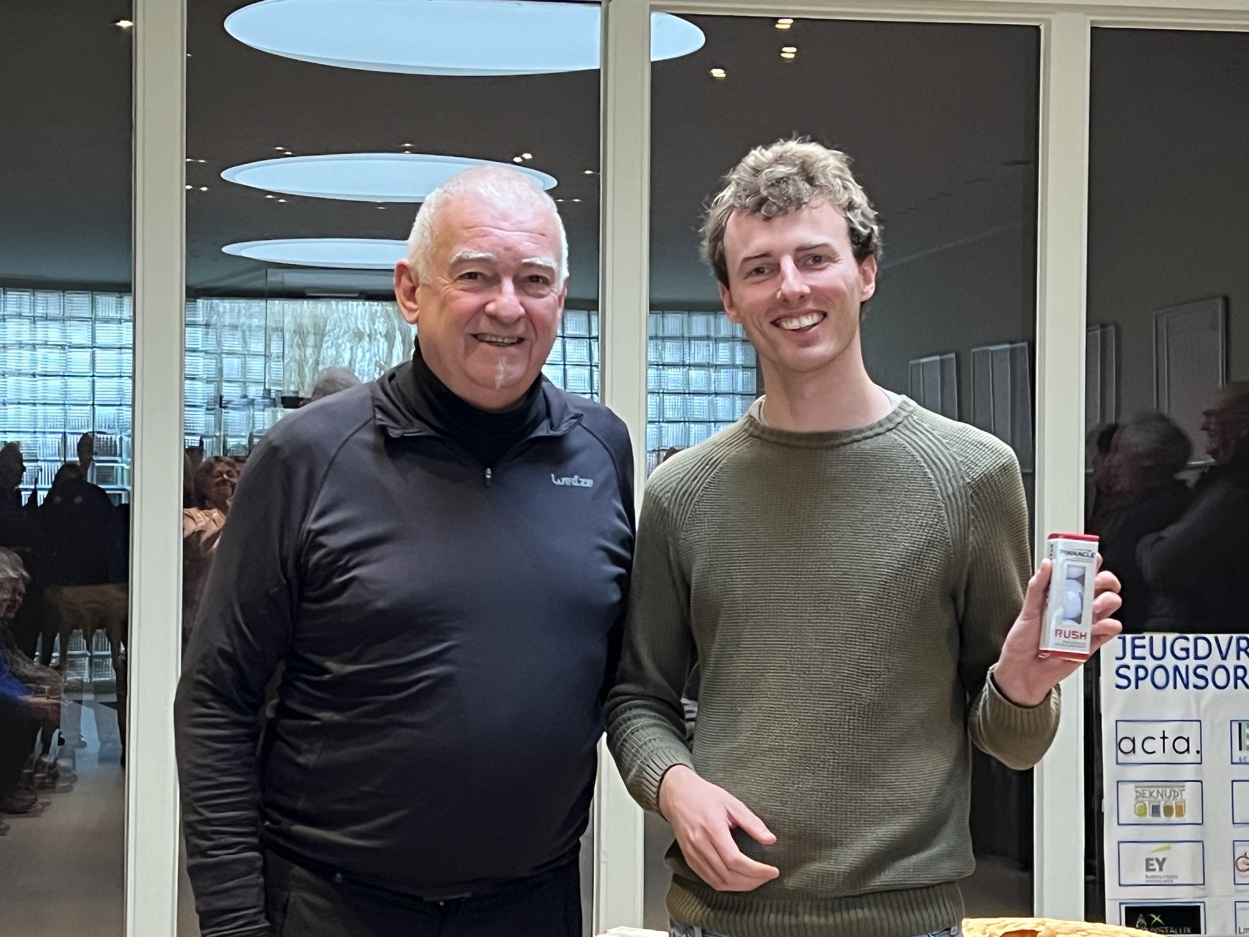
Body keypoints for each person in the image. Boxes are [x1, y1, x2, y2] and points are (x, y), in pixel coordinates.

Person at [605, 139, 1122, 937]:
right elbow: (638, 696)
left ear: (866, 271)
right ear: (729, 299)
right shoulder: (682, 493)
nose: (791, 287)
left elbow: (1012, 744)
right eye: (759, 268)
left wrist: (1021, 686)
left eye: (814, 258)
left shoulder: (972, 476)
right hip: (720, 919)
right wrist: (674, 784)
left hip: (907, 920)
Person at [175, 165, 634, 937]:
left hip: (531, 905)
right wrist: (232, 922)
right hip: (333, 905)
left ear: (560, 298)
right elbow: (217, 697)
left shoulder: (599, 449)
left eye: (533, 280)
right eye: (474, 275)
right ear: (410, 291)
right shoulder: (305, 455)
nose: (506, 305)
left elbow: (622, 675)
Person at [1137, 381, 1249, 632]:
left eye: (1214, 417)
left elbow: (1162, 563)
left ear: (1244, 425)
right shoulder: (1222, 483)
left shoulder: (1237, 490)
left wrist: (1147, 543)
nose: (1203, 426)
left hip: (1219, 639)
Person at [181, 456, 239, 650]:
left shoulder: (249, 517)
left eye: (230, 474)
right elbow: (197, 546)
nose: (225, 479)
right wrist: (232, 515)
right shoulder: (191, 516)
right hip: (203, 614)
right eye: (217, 475)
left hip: (240, 613)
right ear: (202, 484)